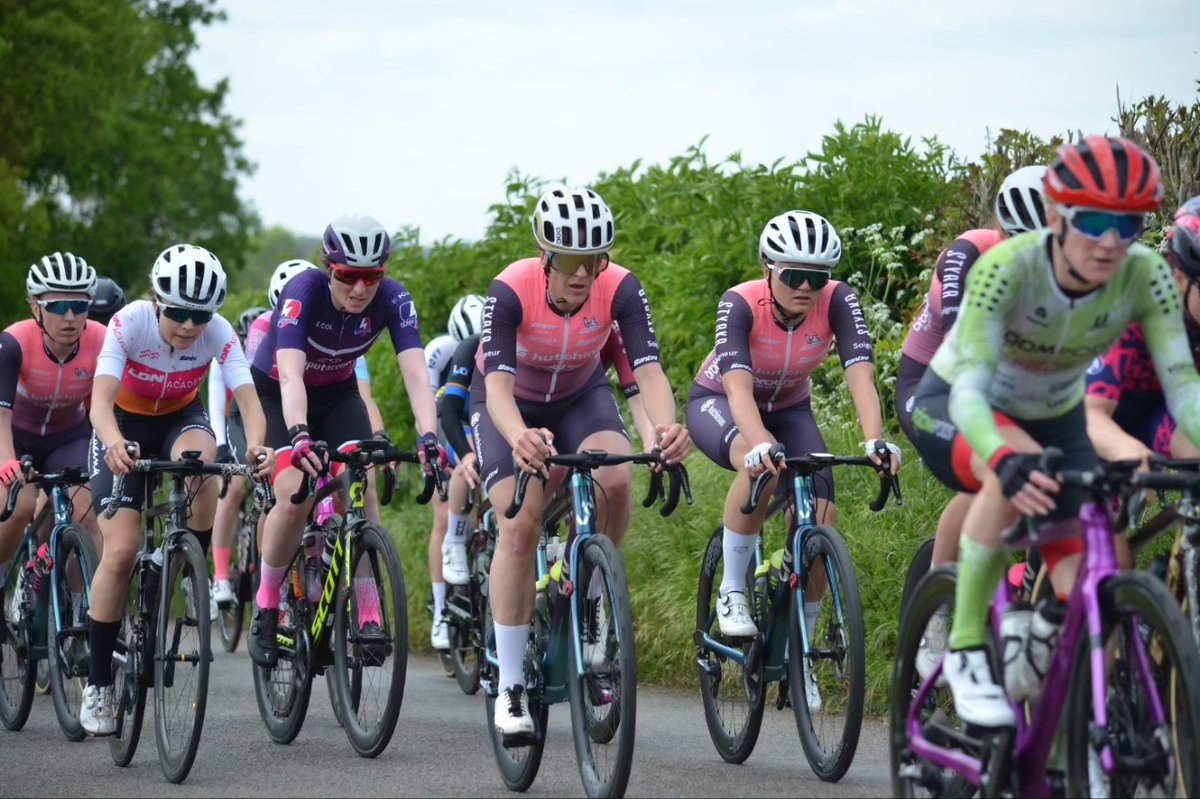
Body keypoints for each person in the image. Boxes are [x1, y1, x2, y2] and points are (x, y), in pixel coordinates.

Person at [907, 136, 1200, 728]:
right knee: (1016, 470)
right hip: (958, 401)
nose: (1110, 242)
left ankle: (1056, 685)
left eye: (1128, 225)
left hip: (1054, 413)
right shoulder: (1007, 268)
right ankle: (964, 649)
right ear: (1057, 217)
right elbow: (969, 391)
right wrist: (1002, 455)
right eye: (1093, 221)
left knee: (1091, 580)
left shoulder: (1145, 275)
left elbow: (1182, 386)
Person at [473, 185, 690, 736]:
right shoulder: (510, 290)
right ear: (544, 256)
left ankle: (591, 593)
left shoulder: (620, 288)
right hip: (510, 403)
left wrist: (665, 430)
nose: (583, 275)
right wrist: (519, 436)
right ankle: (511, 684)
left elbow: (648, 372)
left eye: (594, 260)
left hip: (578, 394)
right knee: (519, 524)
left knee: (616, 477)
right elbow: (496, 390)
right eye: (570, 261)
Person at [685, 209, 900, 711]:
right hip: (720, 402)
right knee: (757, 463)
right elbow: (737, 389)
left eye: (817, 277)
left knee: (821, 512)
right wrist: (759, 442)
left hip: (790, 408)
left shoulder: (839, 300)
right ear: (768, 269)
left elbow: (860, 373)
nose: (806, 287)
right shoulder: (739, 303)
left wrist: (875, 440)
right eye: (793, 275)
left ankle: (800, 653)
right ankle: (732, 589)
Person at [82, 244, 274, 735]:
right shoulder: (129, 323)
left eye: (200, 316)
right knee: (121, 551)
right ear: (157, 301)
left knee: (204, 465)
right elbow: (99, 403)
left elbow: (250, 404)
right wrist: (112, 442)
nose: (189, 326)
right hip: (122, 423)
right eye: (179, 313)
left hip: (179, 418)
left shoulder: (220, 332)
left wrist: (256, 446)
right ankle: (98, 681)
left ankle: (188, 564)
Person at [245, 215, 440, 670]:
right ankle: (267, 604)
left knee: (362, 487)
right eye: (349, 275)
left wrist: (429, 436)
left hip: (338, 395)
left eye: (372, 276)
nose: (360, 288)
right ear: (328, 267)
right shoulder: (304, 291)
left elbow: (417, 377)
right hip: (277, 393)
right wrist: (299, 434)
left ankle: (368, 610)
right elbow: (290, 376)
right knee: (293, 495)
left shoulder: (394, 299)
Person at [894, 165, 1049, 681]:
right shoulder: (966, 255)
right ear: (1000, 232)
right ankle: (939, 609)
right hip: (931, 385)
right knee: (992, 471)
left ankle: (1029, 588)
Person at [0, 254, 106, 581]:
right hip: (15, 437)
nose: (70, 317)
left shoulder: (102, 340)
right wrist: (7, 461)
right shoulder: (14, 342)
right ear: (36, 308)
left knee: (88, 514)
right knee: (20, 505)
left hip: (68, 438)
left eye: (80, 306)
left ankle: (83, 602)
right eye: (58, 306)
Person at [1085, 196, 1200, 462]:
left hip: (1160, 414)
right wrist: (1130, 453)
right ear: (1180, 280)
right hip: (1093, 413)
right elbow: (1091, 415)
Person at [425, 293, 485, 651]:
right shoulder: (441, 350)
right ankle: (439, 612)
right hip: (448, 423)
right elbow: (430, 411)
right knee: (442, 516)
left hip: (483, 419)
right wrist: (431, 450)